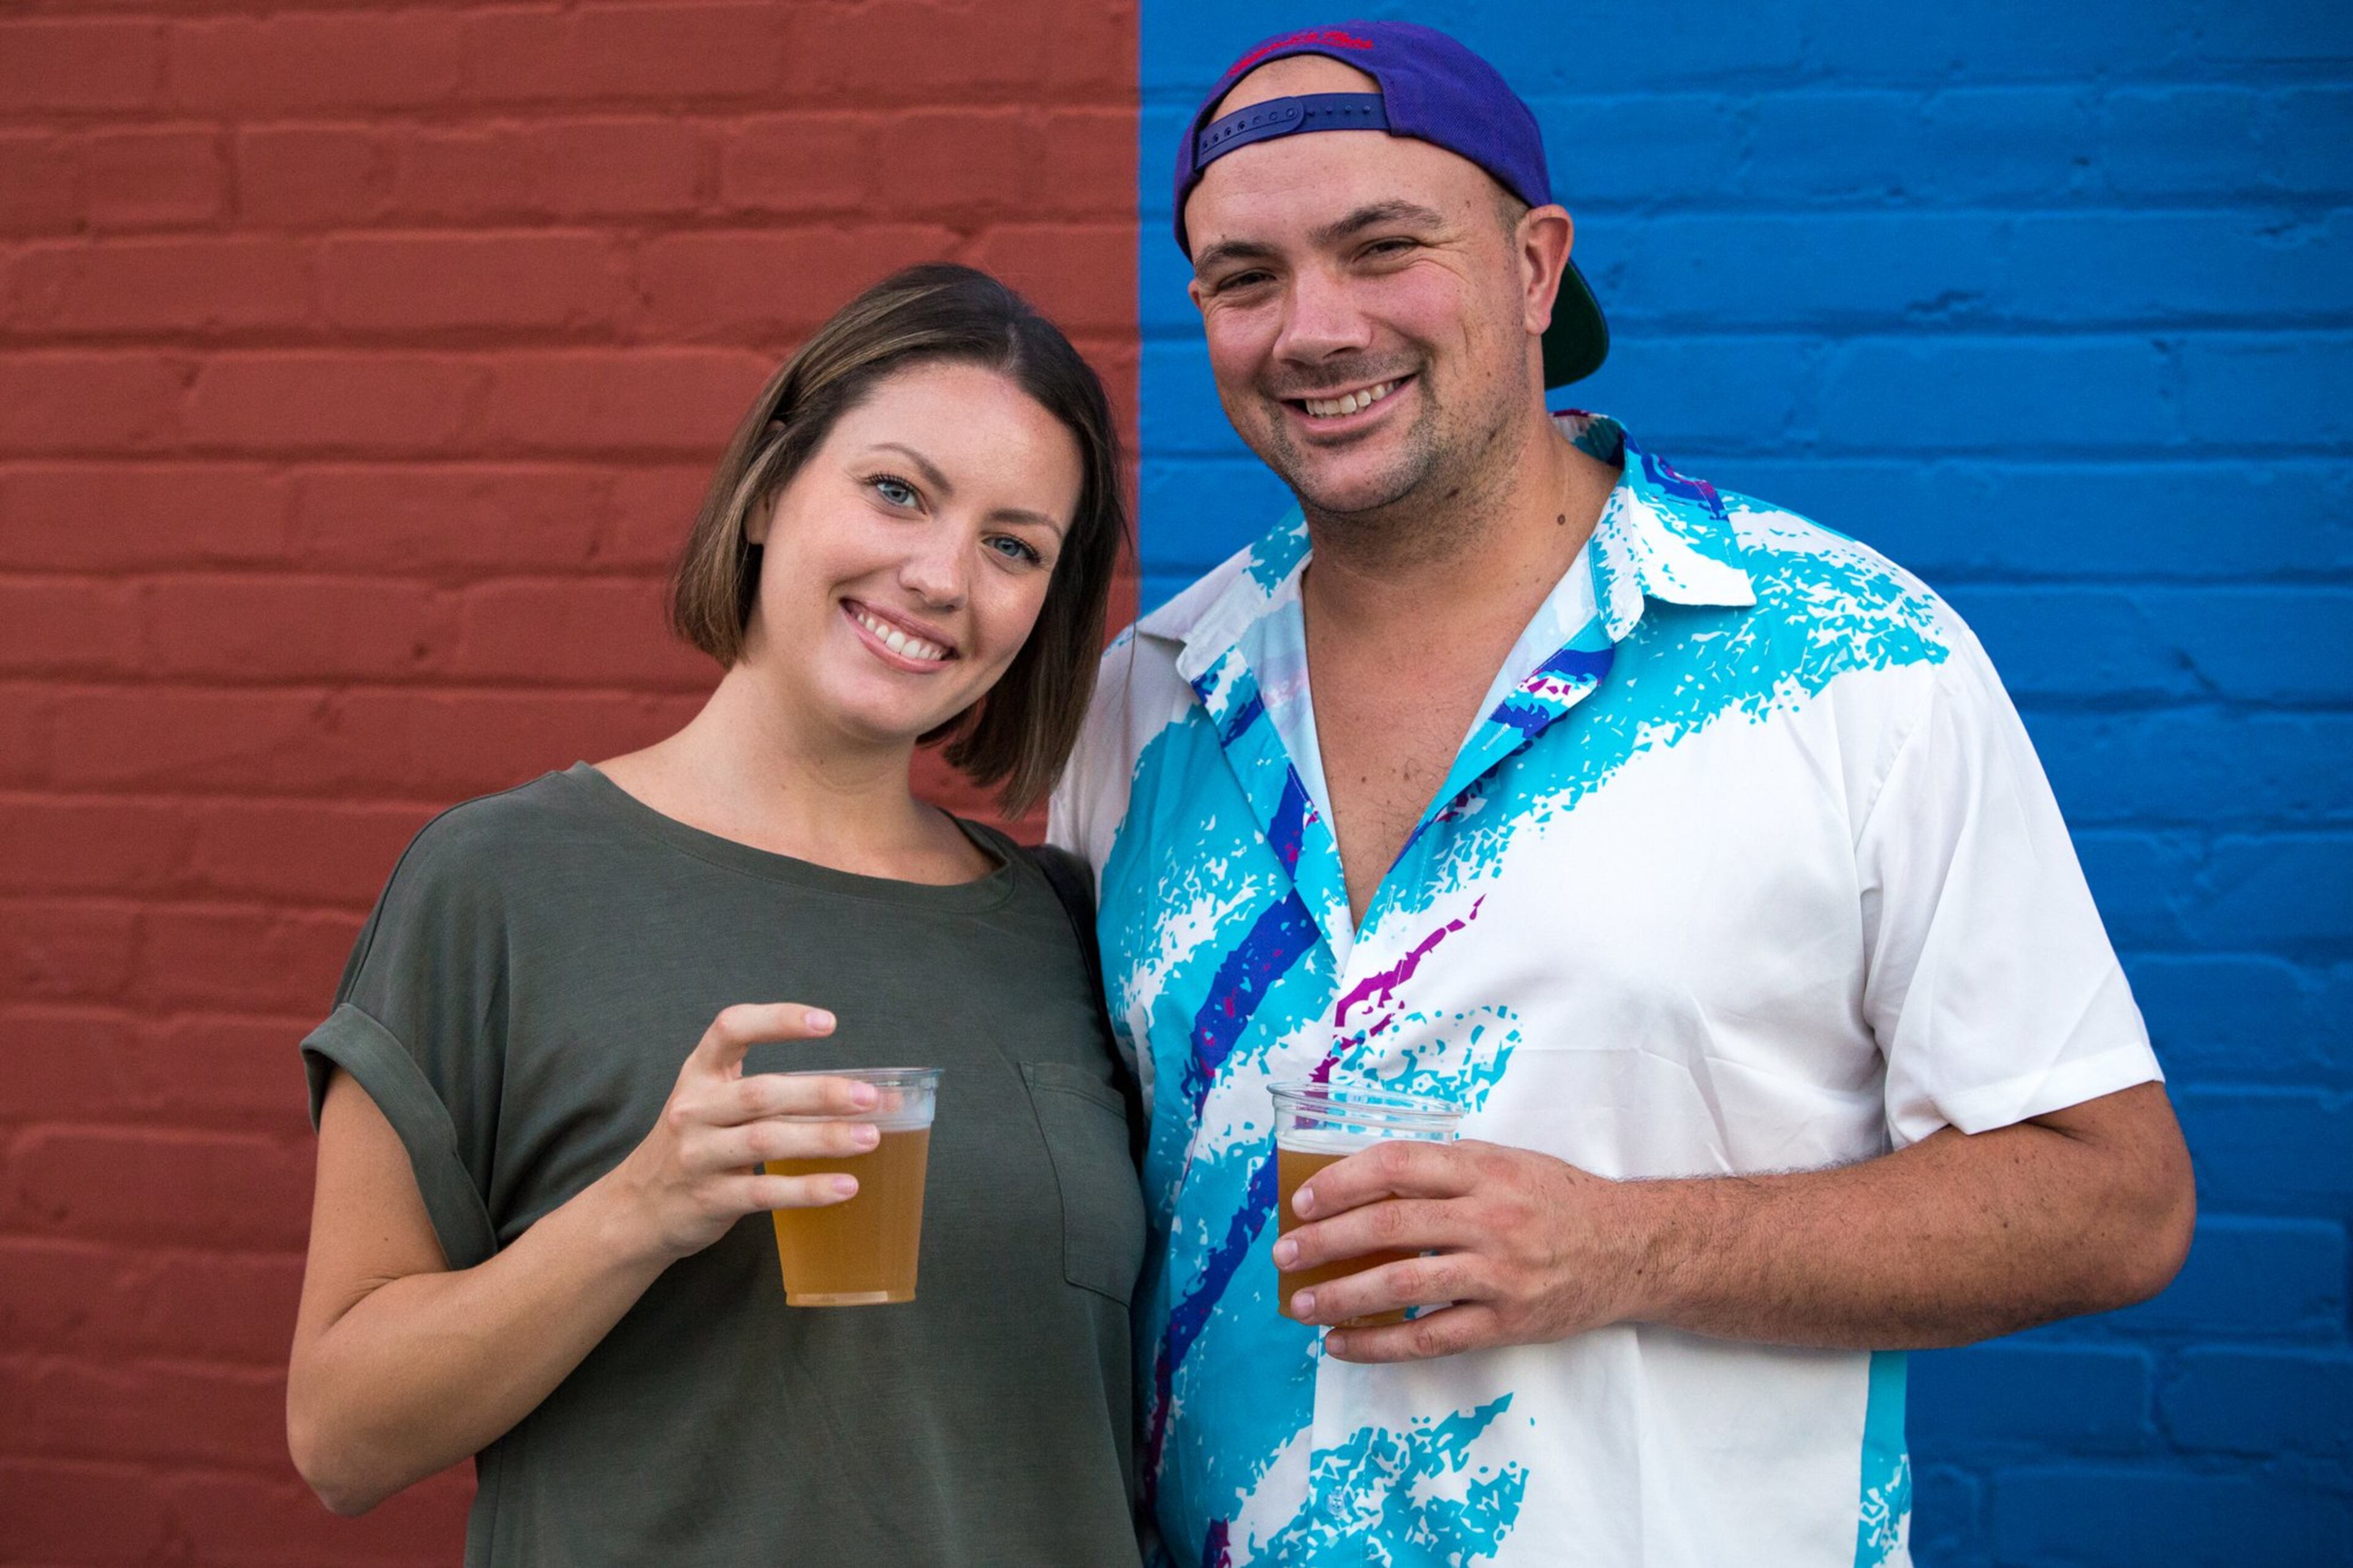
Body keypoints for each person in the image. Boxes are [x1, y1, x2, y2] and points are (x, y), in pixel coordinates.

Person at [1048, 23, 2195, 1568]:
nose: (1314, 328)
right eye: (1244, 279)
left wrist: (1620, 1243)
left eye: (1383, 248)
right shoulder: (1154, 693)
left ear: (1534, 268)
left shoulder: (1845, 660)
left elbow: (2113, 1200)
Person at [287, 263, 1146, 1567]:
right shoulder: (502, 883)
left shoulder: (1063, 922)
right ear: (765, 492)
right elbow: (341, 1435)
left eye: (1013, 544)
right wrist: (642, 1205)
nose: (939, 574)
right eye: (898, 491)